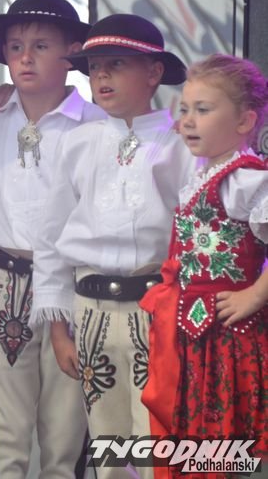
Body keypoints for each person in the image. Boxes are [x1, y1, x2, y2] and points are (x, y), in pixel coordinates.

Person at [30, 14, 197, 479]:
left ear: (154, 72)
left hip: (157, 309)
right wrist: (59, 328)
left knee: (158, 442)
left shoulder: (182, 144)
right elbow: (50, 237)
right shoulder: (77, 143)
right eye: (94, 67)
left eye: (116, 64)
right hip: (91, 311)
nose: (101, 75)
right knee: (107, 448)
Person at [0, 0, 101, 479]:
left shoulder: (97, 126)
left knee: (66, 430)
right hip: (0, 280)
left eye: (41, 46)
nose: (25, 57)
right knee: (7, 427)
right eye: (15, 46)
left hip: (74, 285)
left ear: (72, 52)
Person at [140, 53, 267, 477]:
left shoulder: (247, 179)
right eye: (184, 110)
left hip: (227, 338)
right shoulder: (204, 175)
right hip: (195, 336)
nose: (188, 121)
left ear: (245, 121)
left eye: (203, 109)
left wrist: (255, 294)